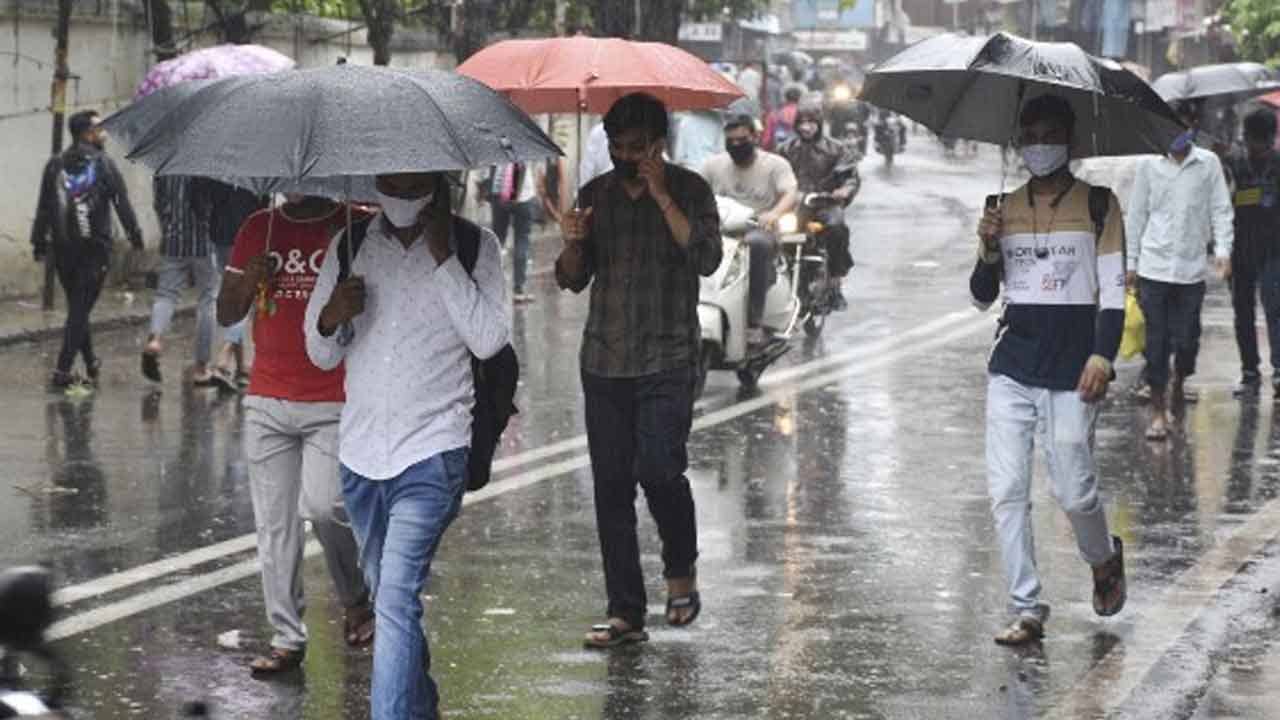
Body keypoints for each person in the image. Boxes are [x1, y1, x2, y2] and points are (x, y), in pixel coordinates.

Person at [305, 172, 509, 720]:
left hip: (433, 452)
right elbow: (320, 353)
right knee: (391, 601)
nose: (399, 188)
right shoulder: (349, 244)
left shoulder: (474, 246)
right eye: (389, 177)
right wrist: (332, 316)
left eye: (411, 178)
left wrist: (444, 261)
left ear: (437, 182)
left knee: (393, 598)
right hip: (361, 456)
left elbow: (490, 339)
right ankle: (420, 706)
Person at [556, 92, 722, 649]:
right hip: (605, 360)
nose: (625, 156)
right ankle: (626, 611)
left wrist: (660, 194)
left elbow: (705, 257)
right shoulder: (594, 196)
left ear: (659, 144)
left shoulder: (692, 189)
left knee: (659, 470)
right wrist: (574, 244)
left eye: (637, 148)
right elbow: (571, 279)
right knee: (611, 488)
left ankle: (681, 571)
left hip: (668, 358)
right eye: (616, 147)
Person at [971, 94, 1128, 646]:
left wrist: (1102, 355)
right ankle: (1026, 606)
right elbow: (981, 295)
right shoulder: (1000, 205)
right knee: (1007, 489)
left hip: (1074, 366)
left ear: (1070, 140)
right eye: (1030, 135)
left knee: (1074, 488)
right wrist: (989, 247)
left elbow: (1112, 294)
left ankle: (1104, 558)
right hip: (1013, 363)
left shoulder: (1100, 206)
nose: (1038, 145)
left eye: (1049, 134)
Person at [216, 195, 373, 678]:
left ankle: (355, 597)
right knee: (275, 527)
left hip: (334, 396)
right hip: (268, 397)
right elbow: (226, 313)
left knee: (327, 507)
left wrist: (349, 301)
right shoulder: (258, 227)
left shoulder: (359, 226)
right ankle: (287, 637)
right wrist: (247, 283)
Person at [1126, 106, 1234, 440]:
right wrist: (1131, 264)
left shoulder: (1208, 164)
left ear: (1193, 126)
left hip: (1190, 271)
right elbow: (1137, 214)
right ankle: (1158, 409)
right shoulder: (1148, 165)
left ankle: (1179, 382)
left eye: (1182, 127)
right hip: (1153, 269)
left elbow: (1220, 209)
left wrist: (1223, 251)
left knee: (1187, 341)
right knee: (1156, 344)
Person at [30, 110, 143, 390]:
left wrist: (38, 243)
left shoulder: (55, 164)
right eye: (99, 128)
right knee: (79, 310)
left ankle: (91, 362)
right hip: (95, 251)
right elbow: (122, 203)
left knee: (78, 308)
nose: (104, 133)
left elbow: (44, 206)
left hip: (64, 250)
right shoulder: (104, 164)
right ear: (87, 133)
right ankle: (62, 370)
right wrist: (135, 235)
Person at [700, 111, 799, 347]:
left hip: (759, 231)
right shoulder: (713, 165)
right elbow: (693, 190)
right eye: (730, 141)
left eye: (741, 140)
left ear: (755, 137)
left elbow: (789, 193)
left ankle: (754, 322)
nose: (736, 145)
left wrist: (774, 214)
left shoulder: (775, 165)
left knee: (757, 245)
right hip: (721, 231)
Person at [777, 98, 861, 309]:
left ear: (819, 123)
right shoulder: (785, 149)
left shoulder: (836, 149)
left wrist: (843, 191)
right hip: (795, 207)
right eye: (802, 122)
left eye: (811, 122)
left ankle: (835, 282)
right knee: (777, 236)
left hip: (825, 205)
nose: (806, 127)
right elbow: (772, 175)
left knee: (837, 228)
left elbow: (850, 177)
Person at [141, 175, 220, 387]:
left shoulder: (166, 165)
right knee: (208, 300)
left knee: (166, 294)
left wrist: (167, 227)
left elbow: (158, 204)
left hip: (173, 239)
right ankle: (201, 367)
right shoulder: (210, 164)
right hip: (206, 242)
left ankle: (156, 339)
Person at [1226, 110, 1280, 396]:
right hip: (1241, 249)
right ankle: (1250, 372)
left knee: (1275, 310)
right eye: (1250, 141)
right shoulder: (1236, 165)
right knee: (1242, 312)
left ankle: (1279, 370)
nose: (1254, 147)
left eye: (1259, 141)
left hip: (1274, 250)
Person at [209, 181, 266, 389]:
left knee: (237, 296)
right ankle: (224, 358)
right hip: (248, 236)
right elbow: (262, 205)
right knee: (244, 298)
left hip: (222, 236)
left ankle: (241, 368)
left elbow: (204, 198)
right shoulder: (258, 171)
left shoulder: (222, 166)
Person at [486, 163, 537, 304]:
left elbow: (489, 167)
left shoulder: (496, 141)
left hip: (499, 194)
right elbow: (526, 165)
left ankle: (489, 286)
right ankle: (519, 289)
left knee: (496, 242)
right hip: (524, 196)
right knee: (522, 241)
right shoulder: (527, 142)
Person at [762, 83, 805, 152]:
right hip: (799, 152)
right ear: (799, 99)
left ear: (785, 98)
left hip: (779, 151)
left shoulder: (774, 114)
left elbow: (766, 140)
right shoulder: (804, 115)